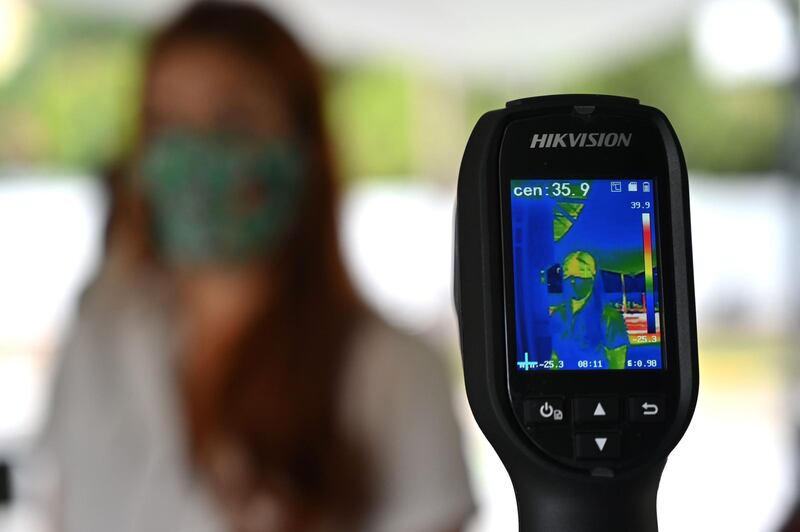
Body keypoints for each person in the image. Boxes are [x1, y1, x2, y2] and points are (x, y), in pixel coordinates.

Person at [30, 2, 474, 531]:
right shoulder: (98, 338)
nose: (193, 153)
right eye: (165, 123)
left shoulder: (395, 373)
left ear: (302, 145)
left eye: (231, 121)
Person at [549, 251, 628, 369]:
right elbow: (554, 358)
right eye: (567, 274)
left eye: (580, 273)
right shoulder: (557, 315)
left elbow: (618, 363)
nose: (573, 280)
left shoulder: (610, 317)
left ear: (593, 275)